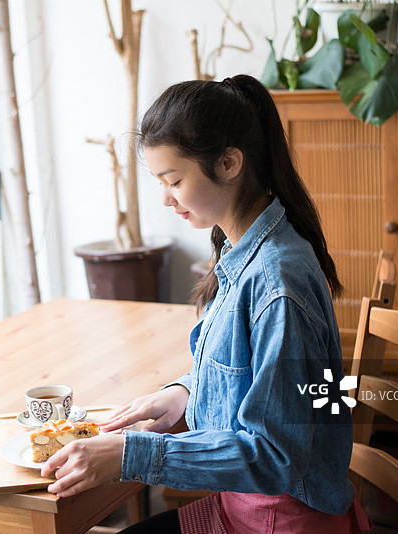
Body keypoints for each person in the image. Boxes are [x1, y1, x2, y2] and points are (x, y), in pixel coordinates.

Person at [40, 74, 372, 533]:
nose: (165, 199)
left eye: (173, 180)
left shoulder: (277, 282)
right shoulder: (248, 250)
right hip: (246, 508)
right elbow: (249, 375)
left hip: (277, 521)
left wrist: (131, 454)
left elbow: (278, 456)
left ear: (229, 163)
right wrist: (185, 392)